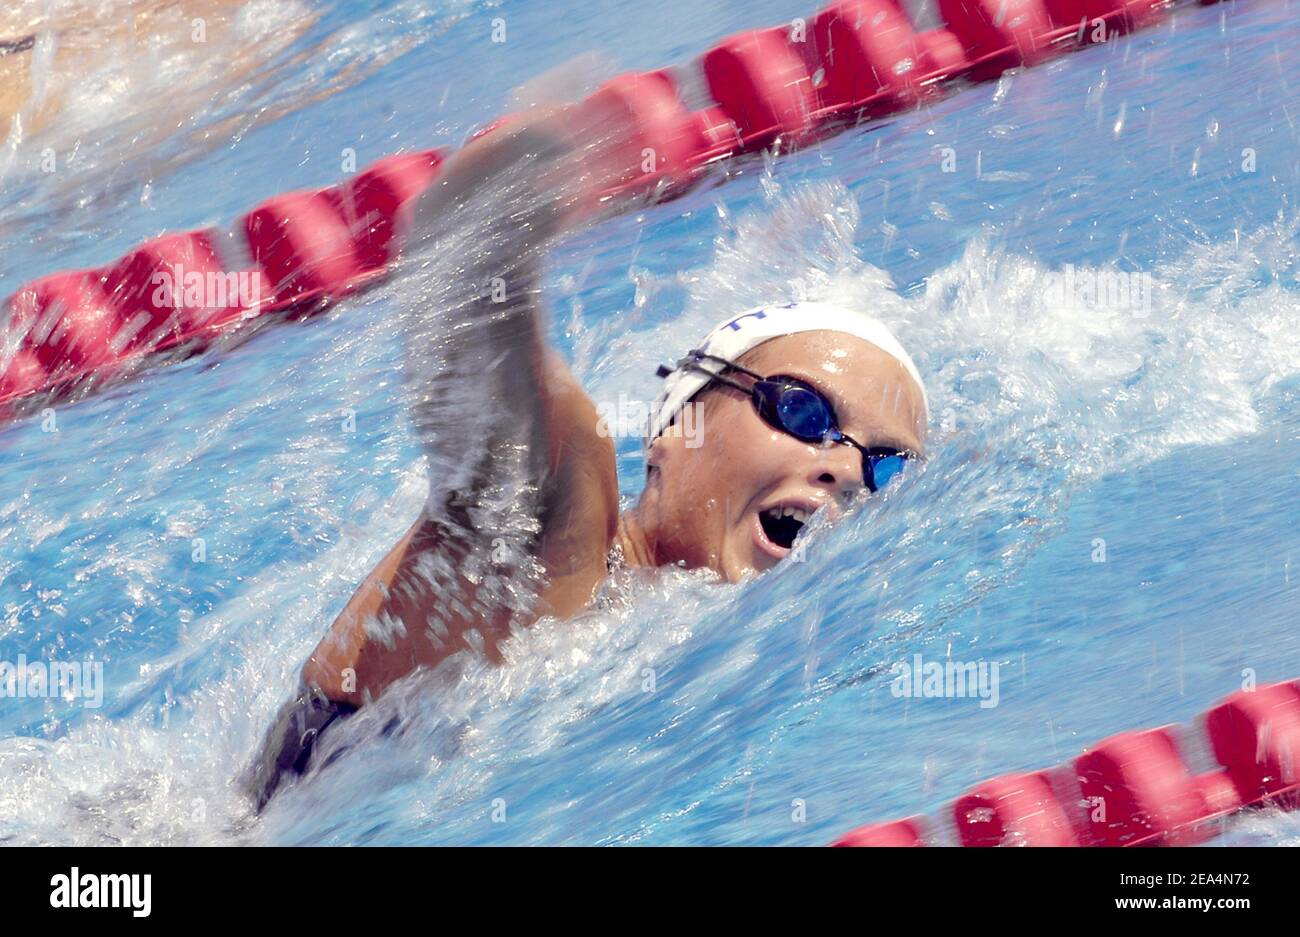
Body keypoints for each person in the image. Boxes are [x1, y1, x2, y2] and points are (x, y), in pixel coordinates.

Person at [242, 106, 929, 810]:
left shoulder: (712, 654)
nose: (846, 470)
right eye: (802, 411)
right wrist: (487, 244)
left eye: (886, 467)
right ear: (677, 425)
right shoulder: (569, 541)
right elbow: (507, 384)